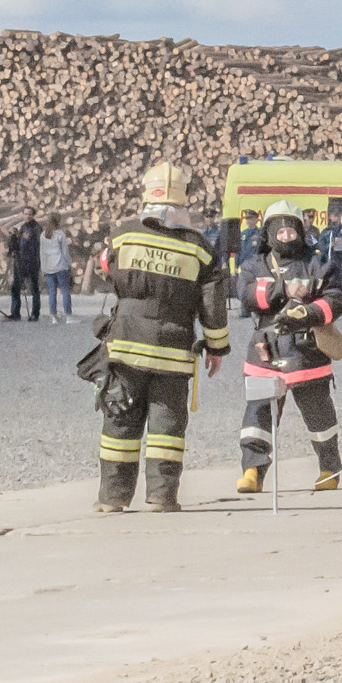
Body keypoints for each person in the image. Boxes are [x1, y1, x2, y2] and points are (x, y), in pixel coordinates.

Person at [88, 164, 233, 514]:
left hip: (124, 346)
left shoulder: (123, 235)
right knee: (167, 428)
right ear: (183, 202)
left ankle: (112, 498)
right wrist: (216, 347)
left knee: (120, 419)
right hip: (172, 350)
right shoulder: (200, 248)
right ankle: (162, 496)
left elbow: (109, 271)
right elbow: (212, 304)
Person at [237, 201, 342, 493]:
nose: (286, 237)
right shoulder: (254, 264)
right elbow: (246, 293)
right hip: (266, 350)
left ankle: (328, 469)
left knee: (319, 414)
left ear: (300, 231)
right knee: (258, 414)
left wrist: (309, 314)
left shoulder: (317, 263)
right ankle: (252, 471)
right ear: (270, 234)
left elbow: (336, 298)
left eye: (291, 231)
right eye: (281, 232)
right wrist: (282, 290)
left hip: (306, 351)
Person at [6, 207, 42, 322]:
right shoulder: (22, 227)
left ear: (33, 215)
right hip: (20, 261)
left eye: (30, 214)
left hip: (32, 262)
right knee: (15, 287)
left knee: (33, 288)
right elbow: (19, 244)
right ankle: (15, 312)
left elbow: (38, 245)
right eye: (26, 214)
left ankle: (35, 314)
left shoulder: (36, 228)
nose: (27, 216)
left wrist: (29, 240)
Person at [41, 214, 75, 324]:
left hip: (49, 267)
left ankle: (54, 316)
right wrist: (69, 263)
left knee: (52, 292)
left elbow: (42, 252)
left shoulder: (43, 235)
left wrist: (43, 267)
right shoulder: (60, 234)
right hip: (60, 266)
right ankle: (68, 316)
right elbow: (65, 252)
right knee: (65, 291)